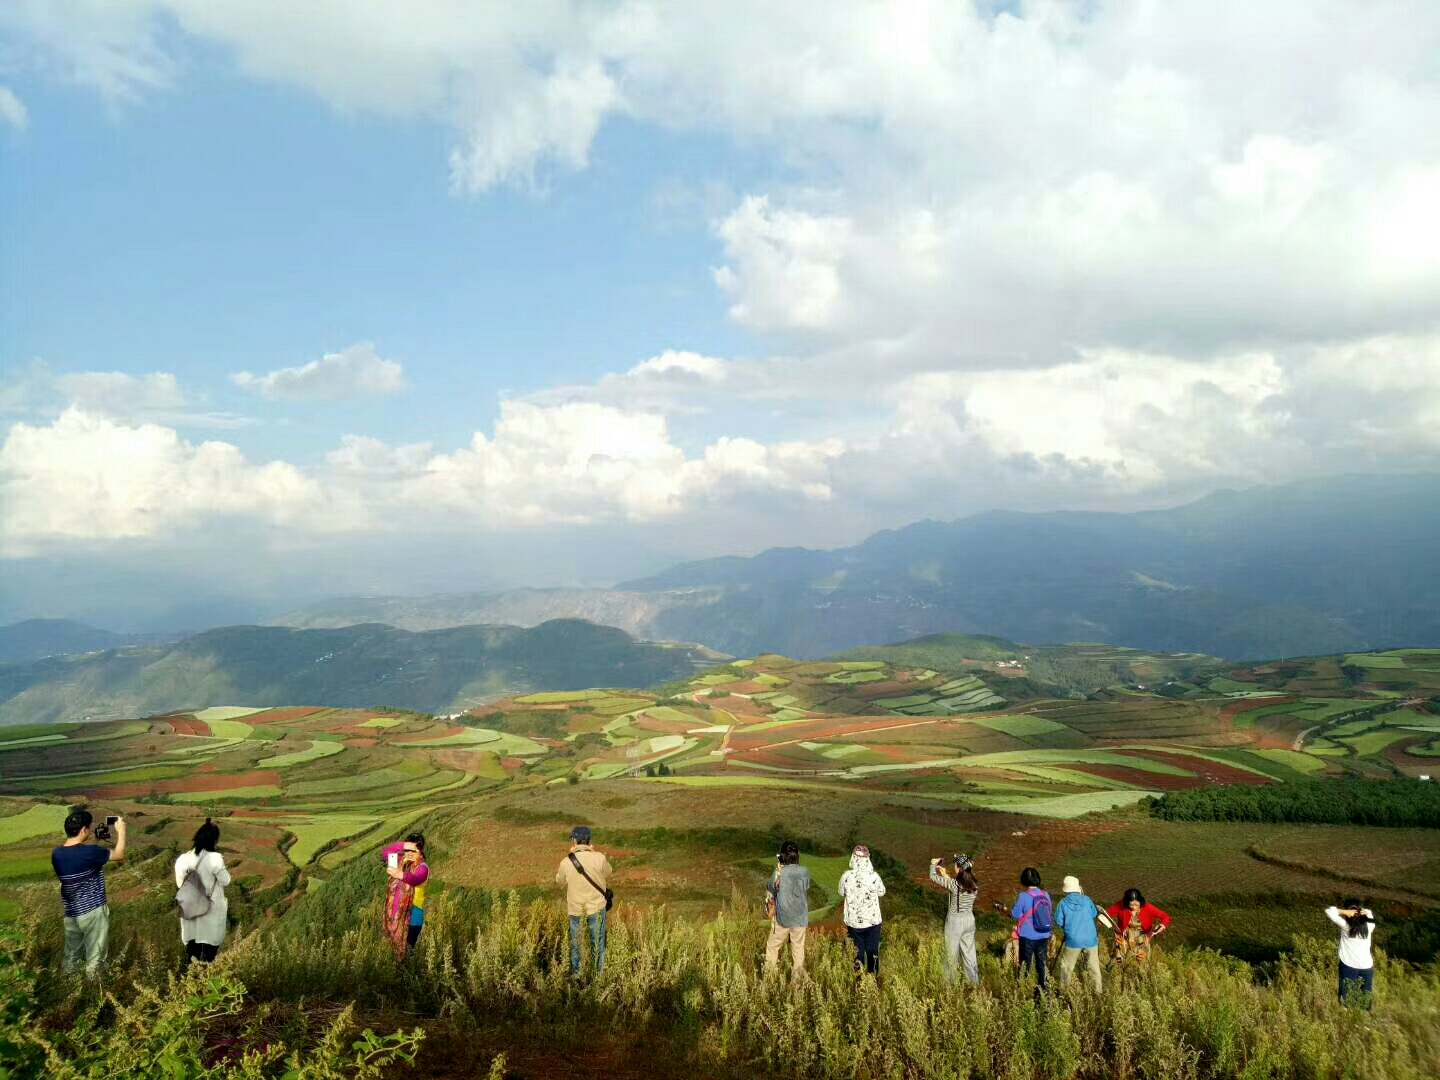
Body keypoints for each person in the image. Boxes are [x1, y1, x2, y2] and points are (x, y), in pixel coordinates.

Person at [51, 808, 125, 975]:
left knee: (71, 956)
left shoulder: (56, 854)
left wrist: (96, 845)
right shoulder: (90, 852)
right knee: (95, 958)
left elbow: (81, 858)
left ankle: (69, 990)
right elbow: (119, 855)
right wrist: (121, 831)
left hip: (71, 913)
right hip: (93, 911)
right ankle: (93, 994)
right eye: (89, 828)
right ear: (84, 830)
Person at [174, 817, 231, 970]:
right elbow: (226, 881)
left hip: (191, 911)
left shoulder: (182, 859)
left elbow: (180, 884)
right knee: (211, 954)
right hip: (211, 911)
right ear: (214, 840)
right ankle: (207, 985)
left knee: (192, 953)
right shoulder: (215, 859)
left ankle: (189, 985)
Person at [555, 825, 612, 978]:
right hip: (596, 908)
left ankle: (577, 977)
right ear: (589, 840)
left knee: (576, 945)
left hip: (575, 910)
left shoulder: (566, 862)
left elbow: (559, 882)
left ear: (574, 841)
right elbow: (608, 872)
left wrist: (572, 856)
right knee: (598, 945)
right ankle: (599, 978)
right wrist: (593, 853)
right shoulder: (600, 857)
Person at [1053, 875, 1111, 991]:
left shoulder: (1062, 903)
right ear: (1078, 887)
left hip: (1073, 940)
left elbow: (1058, 921)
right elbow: (1094, 914)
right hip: (1090, 938)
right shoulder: (1087, 900)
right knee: (1094, 967)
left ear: (1066, 890)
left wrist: (1068, 925)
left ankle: (1064, 991)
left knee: (1067, 966)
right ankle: (1097, 991)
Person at [928, 854, 979, 985]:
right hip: (969, 920)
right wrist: (946, 875)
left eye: (955, 865)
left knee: (951, 955)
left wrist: (933, 864)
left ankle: (950, 985)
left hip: (955, 922)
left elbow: (933, 877)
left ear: (958, 868)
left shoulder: (954, 885)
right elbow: (957, 886)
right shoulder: (974, 884)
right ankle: (973, 982)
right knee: (969, 954)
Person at [765, 839, 812, 976]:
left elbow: (770, 886)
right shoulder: (805, 871)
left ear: (782, 856)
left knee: (772, 947)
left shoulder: (780, 873)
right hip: (800, 917)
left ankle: (770, 979)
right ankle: (796, 982)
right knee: (798, 949)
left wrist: (778, 869)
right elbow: (805, 886)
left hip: (783, 917)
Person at [838, 844, 885, 975]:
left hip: (854, 923)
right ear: (867, 859)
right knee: (872, 952)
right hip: (873, 921)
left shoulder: (846, 876)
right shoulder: (874, 877)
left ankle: (859, 983)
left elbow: (841, 892)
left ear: (853, 858)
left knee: (857, 954)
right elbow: (882, 892)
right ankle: (872, 983)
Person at [381, 833, 429, 959]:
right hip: (393, 917)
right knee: (390, 956)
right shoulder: (400, 862)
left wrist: (399, 874)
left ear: (421, 851)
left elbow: (416, 879)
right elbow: (386, 852)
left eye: (415, 850)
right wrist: (404, 845)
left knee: (406, 957)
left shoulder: (423, 868)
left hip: (412, 919)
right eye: (408, 850)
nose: (410, 853)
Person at [1325, 898, 1376, 1007]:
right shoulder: (1369, 927)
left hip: (1348, 965)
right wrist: (1362, 911)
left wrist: (1343, 911)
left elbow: (1329, 910)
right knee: (1365, 999)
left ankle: (1347, 1020)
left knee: (1346, 1000)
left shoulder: (1345, 926)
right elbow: (1371, 914)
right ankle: (1362, 1020)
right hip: (1366, 966)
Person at [1010, 867, 1053, 989]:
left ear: (1024, 880)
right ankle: (1043, 991)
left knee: (1025, 965)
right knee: (1042, 964)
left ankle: (1022, 989)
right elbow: (1049, 913)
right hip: (1044, 935)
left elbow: (1016, 914)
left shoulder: (1023, 896)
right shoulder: (1046, 895)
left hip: (1027, 936)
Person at [1107, 888, 1171, 962]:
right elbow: (1107, 914)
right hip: (1124, 939)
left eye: (1136, 904)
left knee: (1141, 961)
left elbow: (1166, 917)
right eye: (1131, 905)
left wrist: (1162, 925)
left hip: (1142, 939)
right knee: (1120, 961)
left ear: (1140, 901)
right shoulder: (1120, 905)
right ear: (1126, 902)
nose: (1134, 907)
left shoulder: (1148, 907)